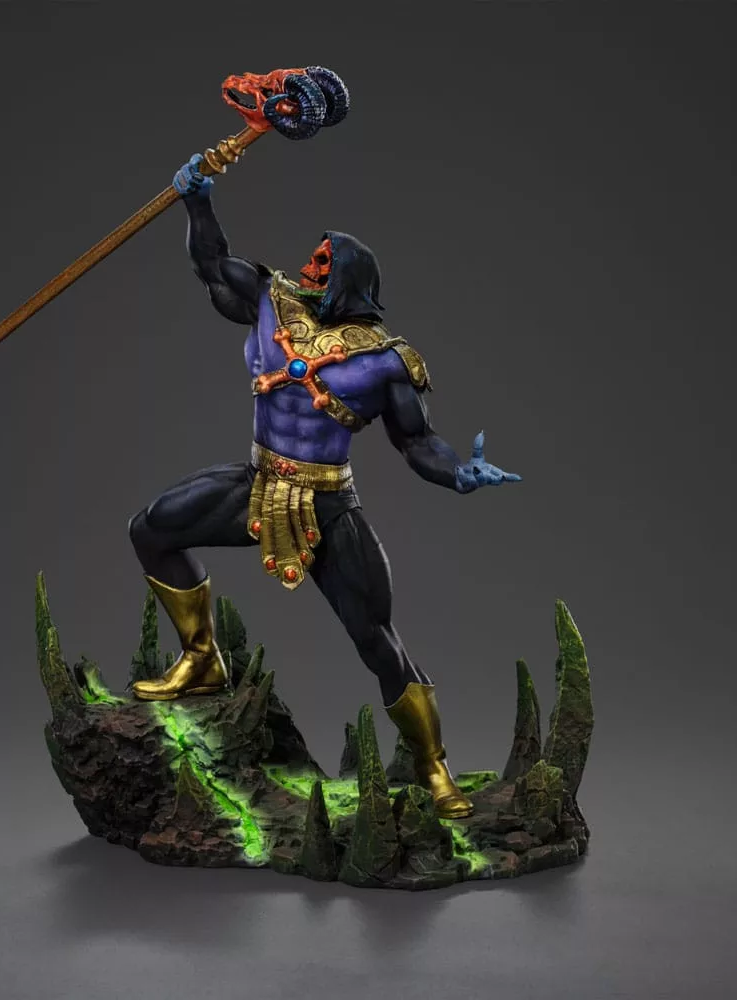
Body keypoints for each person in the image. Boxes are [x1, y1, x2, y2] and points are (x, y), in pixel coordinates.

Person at [127, 154, 521, 819]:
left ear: (348, 279)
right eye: (311, 258)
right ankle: (201, 658)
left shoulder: (384, 360)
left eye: (323, 263)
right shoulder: (269, 300)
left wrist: (458, 472)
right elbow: (212, 264)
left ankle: (433, 765)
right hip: (258, 483)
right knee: (152, 529)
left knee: (378, 640)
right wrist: (197, 200)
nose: (308, 268)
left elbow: (417, 441)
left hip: (329, 505)